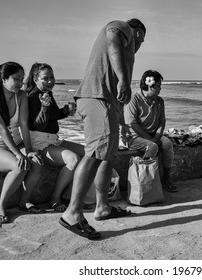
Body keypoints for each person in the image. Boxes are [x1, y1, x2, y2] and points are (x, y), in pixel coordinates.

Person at [59, 18, 146, 239]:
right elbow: (113, 41)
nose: (141, 45)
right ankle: (72, 213)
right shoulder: (122, 27)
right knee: (95, 155)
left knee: (106, 156)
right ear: (137, 33)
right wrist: (124, 80)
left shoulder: (127, 47)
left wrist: (123, 121)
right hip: (96, 97)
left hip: (106, 102)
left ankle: (102, 207)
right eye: (142, 40)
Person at [0, 61, 44, 224]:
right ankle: (1, 205)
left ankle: (24, 201)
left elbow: (23, 124)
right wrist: (17, 154)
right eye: (16, 79)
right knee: (19, 165)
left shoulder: (20, 95)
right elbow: (1, 128)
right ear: (3, 79)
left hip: (16, 143)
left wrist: (28, 150)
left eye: (22, 79)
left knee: (37, 162)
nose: (20, 83)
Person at [24, 62, 88, 212]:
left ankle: (71, 193)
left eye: (52, 77)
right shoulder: (33, 97)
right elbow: (38, 125)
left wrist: (65, 111)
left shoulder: (47, 94)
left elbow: (52, 117)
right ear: (35, 79)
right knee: (73, 159)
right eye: (45, 78)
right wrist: (45, 108)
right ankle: (55, 198)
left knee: (88, 152)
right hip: (39, 142)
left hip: (52, 139)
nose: (50, 81)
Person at [124, 70, 178, 192]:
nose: (160, 89)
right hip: (134, 136)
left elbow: (162, 121)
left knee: (167, 144)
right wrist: (150, 139)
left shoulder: (159, 101)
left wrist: (157, 136)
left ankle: (166, 179)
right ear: (150, 85)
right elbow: (132, 123)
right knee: (152, 147)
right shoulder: (134, 99)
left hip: (153, 135)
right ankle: (144, 181)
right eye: (158, 86)